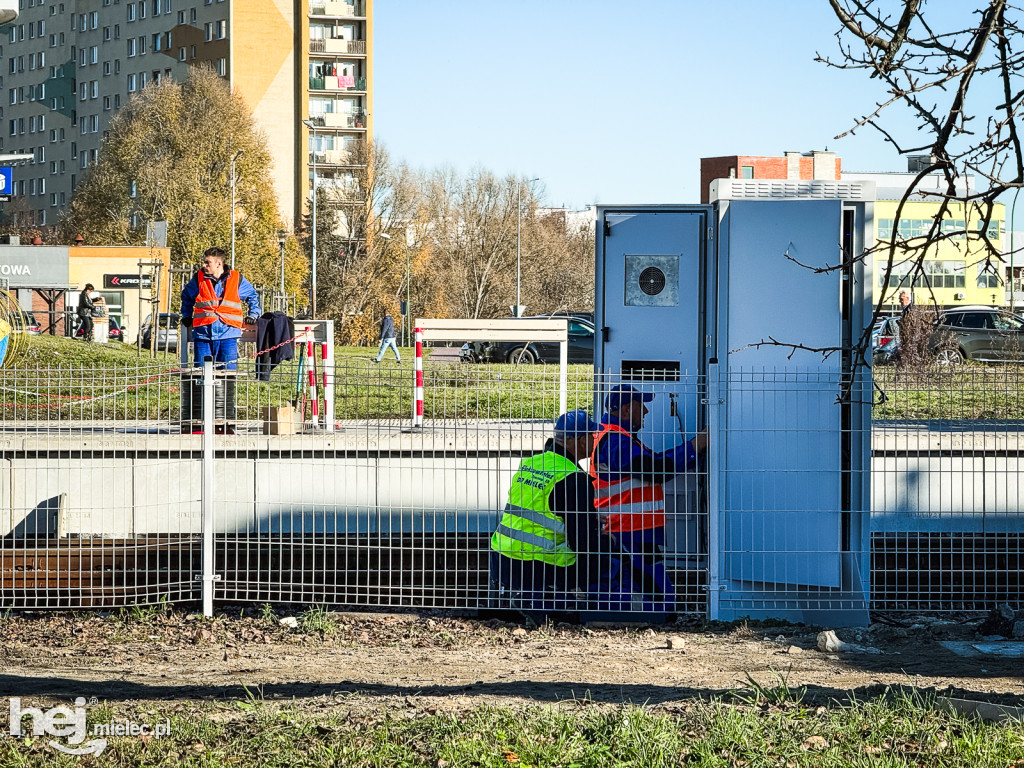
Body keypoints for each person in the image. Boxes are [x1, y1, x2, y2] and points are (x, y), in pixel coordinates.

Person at [490, 410, 627, 613]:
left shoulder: (532, 463)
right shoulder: (573, 479)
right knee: (611, 557)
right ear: (580, 440)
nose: (594, 440)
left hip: (502, 560)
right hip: (539, 567)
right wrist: (610, 541)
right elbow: (583, 544)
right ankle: (584, 605)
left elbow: (540, 509)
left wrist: (588, 516)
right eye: (592, 435)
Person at [590, 384, 707, 612]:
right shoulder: (616, 441)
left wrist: (694, 450)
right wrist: (696, 446)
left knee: (654, 595)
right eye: (640, 405)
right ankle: (636, 624)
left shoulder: (620, 438)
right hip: (626, 531)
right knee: (649, 597)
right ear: (625, 410)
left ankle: (645, 621)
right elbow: (656, 469)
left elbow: (655, 464)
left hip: (633, 531)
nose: (645, 411)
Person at [180, 247, 261, 370]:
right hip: (203, 335)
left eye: (207, 262)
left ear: (219, 264)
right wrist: (186, 315)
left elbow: (252, 296)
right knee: (201, 375)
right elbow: (186, 296)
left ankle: (225, 391)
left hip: (228, 334)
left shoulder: (236, 278)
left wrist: (253, 315)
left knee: (227, 376)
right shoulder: (199, 279)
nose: (204, 265)